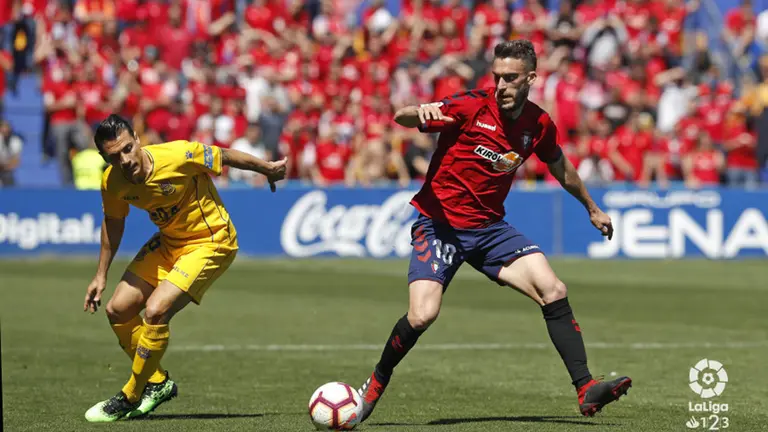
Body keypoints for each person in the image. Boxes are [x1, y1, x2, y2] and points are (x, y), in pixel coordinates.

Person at [355, 40, 632, 423]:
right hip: (440, 226)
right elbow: (403, 117)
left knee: (553, 289)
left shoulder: (538, 123)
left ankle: (585, 388)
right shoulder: (471, 106)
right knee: (422, 316)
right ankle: (376, 382)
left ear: (531, 78)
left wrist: (592, 206)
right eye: (497, 77)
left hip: (488, 229)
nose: (501, 85)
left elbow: (560, 166)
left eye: (511, 78)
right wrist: (419, 111)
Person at [82, 114, 287, 422]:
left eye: (127, 149)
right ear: (104, 158)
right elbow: (113, 223)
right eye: (114, 157)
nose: (124, 160)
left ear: (137, 139)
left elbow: (226, 155)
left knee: (155, 311)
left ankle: (131, 395)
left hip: (211, 240)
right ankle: (158, 382)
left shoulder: (179, 154)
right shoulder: (112, 182)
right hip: (169, 243)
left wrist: (268, 169)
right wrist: (100, 275)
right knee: (118, 309)